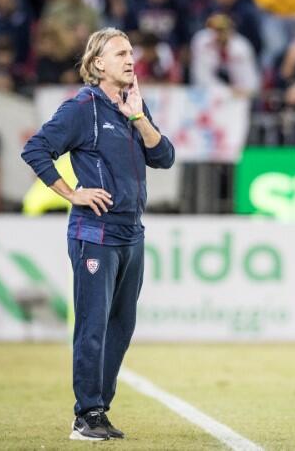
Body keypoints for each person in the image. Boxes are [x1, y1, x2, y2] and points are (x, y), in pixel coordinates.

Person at [21, 28, 175, 441]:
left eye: (131, 52)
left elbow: (164, 157)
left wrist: (139, 117)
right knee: (93, 326)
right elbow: (36, 149)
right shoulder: (82, 108)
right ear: (97, 64)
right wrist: (73, 193)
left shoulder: (132, 104)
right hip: (95, 232)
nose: (130, 59)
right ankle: (85, 415)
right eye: (120, 53)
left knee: (121, 327)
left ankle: (99, 411)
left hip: (132, 232)